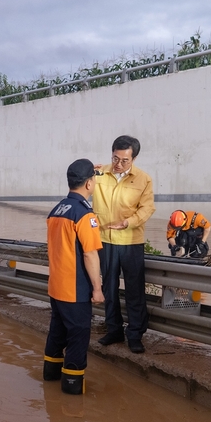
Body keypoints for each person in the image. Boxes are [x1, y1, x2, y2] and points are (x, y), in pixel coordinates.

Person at [43, 158, 105, 395]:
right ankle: (71, 390)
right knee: (78, 338)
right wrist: (97, 289)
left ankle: (50, 376)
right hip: (75, 289)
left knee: (57, 333)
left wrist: (92, 169)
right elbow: (90, 255)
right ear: (89, 184)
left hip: (56, 287)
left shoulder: (57, 210)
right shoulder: (85, 215)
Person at [92, 135, 155, 354]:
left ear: (134, 158)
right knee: (109, 289)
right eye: (115, 158)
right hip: (105, 241)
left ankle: (135, 334)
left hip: (131, 241)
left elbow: (147, 209)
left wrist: (129, 223)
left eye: (124, 160)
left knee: (134, 291)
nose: (119, 164)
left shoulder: (143, 179)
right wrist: (86, 173)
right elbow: (81, 188)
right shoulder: (99, 173)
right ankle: (114, 330)